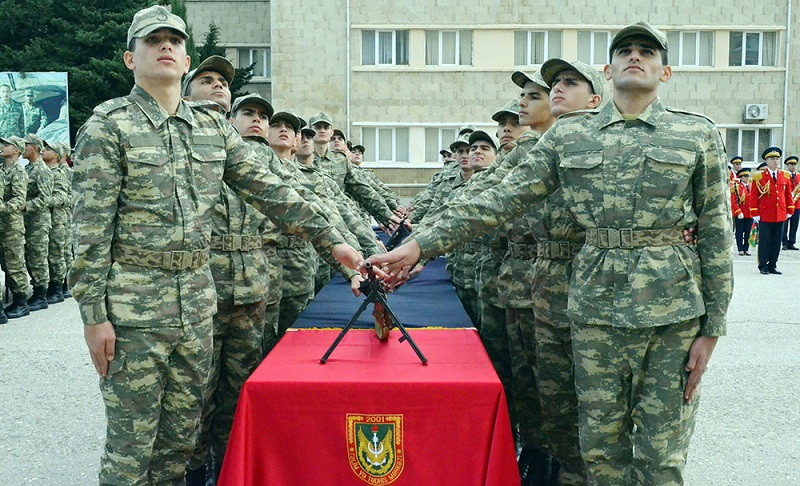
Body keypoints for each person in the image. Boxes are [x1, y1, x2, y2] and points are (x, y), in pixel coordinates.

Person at [369, 21, 732, 485]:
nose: (635, 57)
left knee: (661, 459)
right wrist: (421, 245)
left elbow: (717, 233)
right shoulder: (570, 137)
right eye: (625, 51)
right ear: (609, 68)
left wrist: (713, 327)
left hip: (673, 315)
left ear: (666, 72)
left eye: (646, 51)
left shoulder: (694, 134)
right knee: (599, 451)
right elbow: (501, 198)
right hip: (594, 311)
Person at [69, 7, 361, 485]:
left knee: (180, 443)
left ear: (185, 61)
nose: (165, 47)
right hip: (134, 312)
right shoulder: (109, 127)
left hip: (198, 304)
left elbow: (271, 190)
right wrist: (93, 316)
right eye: (152, 40)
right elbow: (89, 232)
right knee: (130, 448)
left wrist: (335, 241)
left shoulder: (212, 129)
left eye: (174, 41)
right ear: (130, 58)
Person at [749, 147, 794, 274]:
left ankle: (773, 264)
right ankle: (763, 265)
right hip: (765, 214)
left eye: (777, 159)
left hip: (780, 214)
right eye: (772, 159)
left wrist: (789, 209)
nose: (775, 161)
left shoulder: (784, 175)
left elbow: (788, 194)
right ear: (766, 161)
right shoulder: (759, 176)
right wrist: (755, 213)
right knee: (764, 241)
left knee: (776, 241)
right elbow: (753, 197)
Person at [22, 134, 53, 311]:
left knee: (38, 258)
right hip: (28, 220)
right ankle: (37, 290)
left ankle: (41, 295)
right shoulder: (28, 169)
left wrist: (25, 206)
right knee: (30, 257)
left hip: (38, 221)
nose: (23, 148)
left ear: (34, 148)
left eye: (26, 145)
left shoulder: (42, 170)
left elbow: (45, 199)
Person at [0, 136, 29, 320]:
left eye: (7, 145)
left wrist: (1, 207)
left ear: (17, 150)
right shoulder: (2, 169)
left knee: (14, 264)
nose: (2, 147)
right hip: (2, 223)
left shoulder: (18, 171)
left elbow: (19, 200)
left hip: (11, 224)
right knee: (4, 263)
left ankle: (21, 301)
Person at [41, 139, 70, 303]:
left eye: (48, 149)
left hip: (58, 219)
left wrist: (39, 201)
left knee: (57, 254)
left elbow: (63, 197)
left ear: (57, 155)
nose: (44, 151)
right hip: (48, 219)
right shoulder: (46, 172)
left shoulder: (60, 173)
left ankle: (58, 288)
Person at [731, 167, 754, 256]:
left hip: (750, 213)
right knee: (739, 232)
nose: (747, 178)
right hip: (741, 213)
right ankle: (740, 249)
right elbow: (734, 202)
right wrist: (738, 212)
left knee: (748, 232)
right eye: (745, 176)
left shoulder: (752, 186)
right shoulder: (736, 187)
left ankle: (746, 249)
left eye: (748, 176)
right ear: (740, 177)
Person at [782, 155, 800, 250]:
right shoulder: (784, 176)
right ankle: (784, 242)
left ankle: (791, 242)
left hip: (797, 204)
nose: (793, 166)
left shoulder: (799, 176)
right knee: (784, 225)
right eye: (791, 164)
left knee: (794, 224)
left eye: (794, 164)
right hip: (786, 204)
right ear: (787, 166)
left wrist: (796, 196)